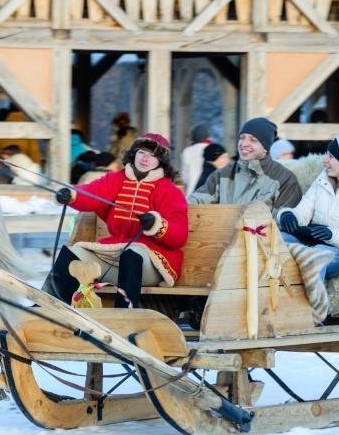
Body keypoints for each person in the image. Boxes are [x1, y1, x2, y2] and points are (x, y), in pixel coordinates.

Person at [44, 133, 189, 309]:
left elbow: (179, 235)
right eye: (142, 152)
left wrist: (157, 225)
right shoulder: (116, 179)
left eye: (153, 155)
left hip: (152, 262)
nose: (145, 159)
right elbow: (93, 193)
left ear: (161, 161)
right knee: (75, 252)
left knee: (133, 252)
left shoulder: (169, 190)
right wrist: (71, 195)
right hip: (115, 253)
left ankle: (125, 314)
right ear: (134, 153)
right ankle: (47, 307)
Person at [277, 134, 339, 279]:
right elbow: (302, 212)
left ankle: (310, 301)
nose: (325, 160)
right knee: (275, 239)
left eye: (331, 156)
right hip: (310, 243)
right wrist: (288, 216)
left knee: (316, 257)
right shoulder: (322, 182)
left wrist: (332, 234)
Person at [189, 117, 302, 215]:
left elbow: (282, 224)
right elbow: (196, 201)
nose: (244, 144)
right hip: (223, 238)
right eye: (242, 137)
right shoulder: (222, 175)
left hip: (262, 239)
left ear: (265, 147)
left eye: (253, 140)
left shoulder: (285, 180)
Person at [180, 123, 214, 195]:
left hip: (192, 195)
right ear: (207, 137)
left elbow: (184, 178)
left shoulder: (187, 151)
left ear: (193, 138)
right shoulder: (213, 150)